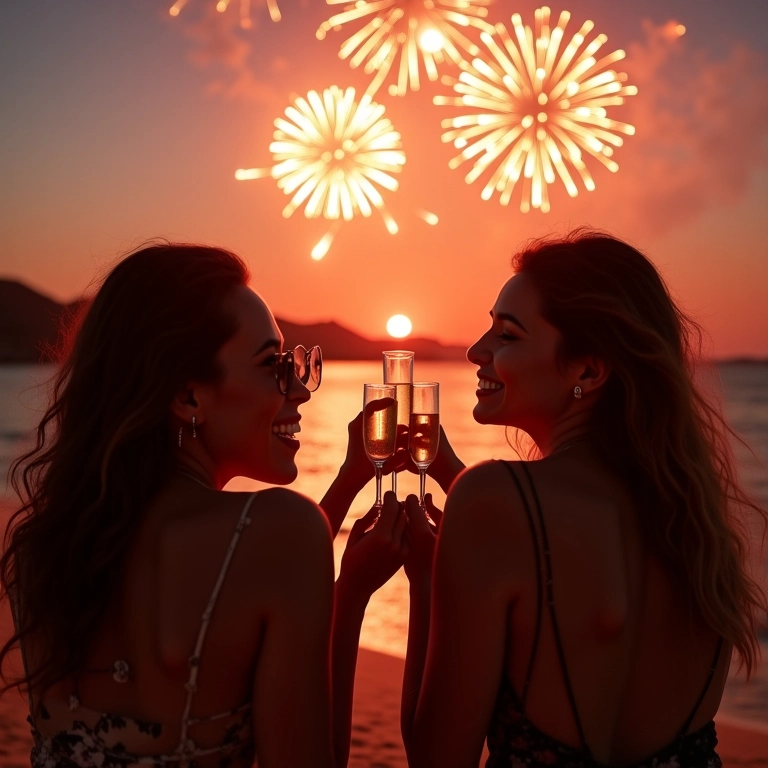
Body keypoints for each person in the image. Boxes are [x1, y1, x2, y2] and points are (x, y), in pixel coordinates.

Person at [0, 242, 407, 768]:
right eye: (273, 365)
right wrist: (350, 595)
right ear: (189, 396)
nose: (300, 392)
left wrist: (348, 481)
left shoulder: (43, 552)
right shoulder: (282, 529)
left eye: (295, 364)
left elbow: (240, 566)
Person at [395, 229, 767, 767]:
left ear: (588, 370)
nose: (476, 351)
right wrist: (453, 477)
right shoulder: (691, 522)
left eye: (508, 335)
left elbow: (436, 758)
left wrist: (428, 581)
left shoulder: (494, 498)